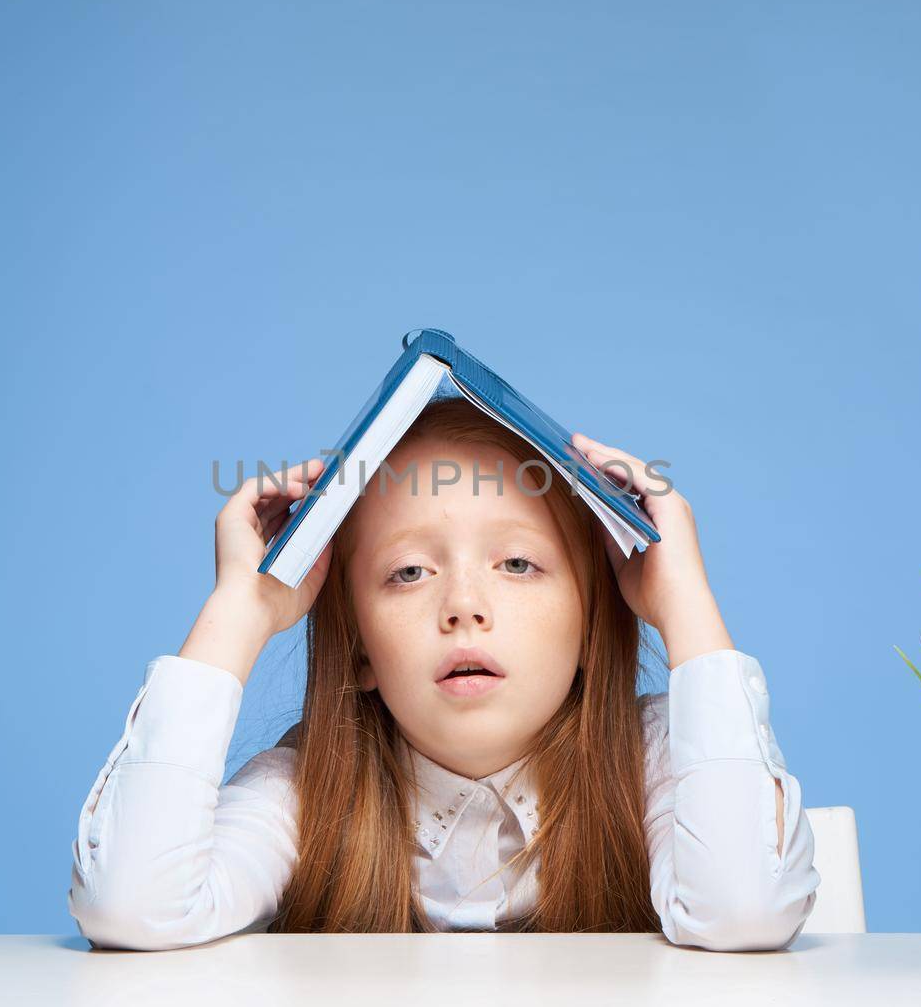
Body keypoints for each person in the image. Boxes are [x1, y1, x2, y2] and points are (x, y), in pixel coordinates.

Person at [67, 397, 819, 948]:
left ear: (592, 625)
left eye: (518, 563)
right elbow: (133, 908)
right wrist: (243, 602)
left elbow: (743, 910)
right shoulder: (308, 791)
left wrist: (684, 600)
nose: (463, 606)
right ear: (359, 648)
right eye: (409, 571)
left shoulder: (653, 760)